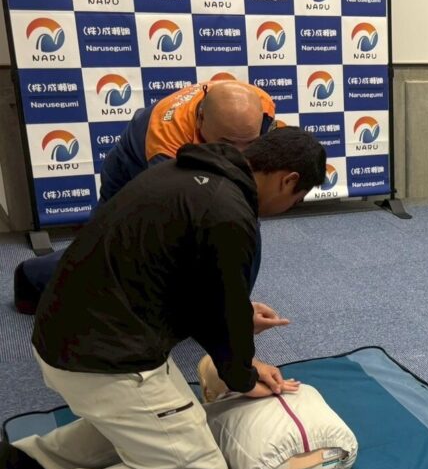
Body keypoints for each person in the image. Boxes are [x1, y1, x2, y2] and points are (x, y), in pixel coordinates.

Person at [0, 127, 326, 469]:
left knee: (168, 423)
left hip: (65, 331)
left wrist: (239, 319)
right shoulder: (229, 214)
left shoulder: (184, 170)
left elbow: (193, 288)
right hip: (105, 359)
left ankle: (24, 459)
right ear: (288, 180)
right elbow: (220, 311)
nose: (290, 207)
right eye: (297, 199)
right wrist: (241, 376)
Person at [13, 80, 282, 316]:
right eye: (227, 142)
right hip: (131, 167)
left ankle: (225, 312)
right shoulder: (167, 140)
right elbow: (184, 213)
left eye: (249, 143)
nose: (239, 153)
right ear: (201, 119)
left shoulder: (261, 107)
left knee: (243, 222)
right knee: (109, 246)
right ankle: (33, 277)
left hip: (199, 161)